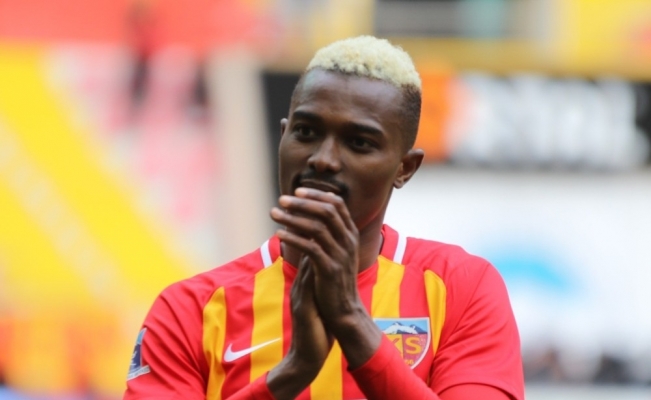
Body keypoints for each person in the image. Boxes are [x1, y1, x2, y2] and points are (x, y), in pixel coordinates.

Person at [123, 36, 524, 400]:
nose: (323, 159)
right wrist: (293, 372)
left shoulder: (461, 289)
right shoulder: (189, 310)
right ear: (283, 136)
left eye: (359, 143)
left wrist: (350, 321)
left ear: (404, 168)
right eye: (306, 132)